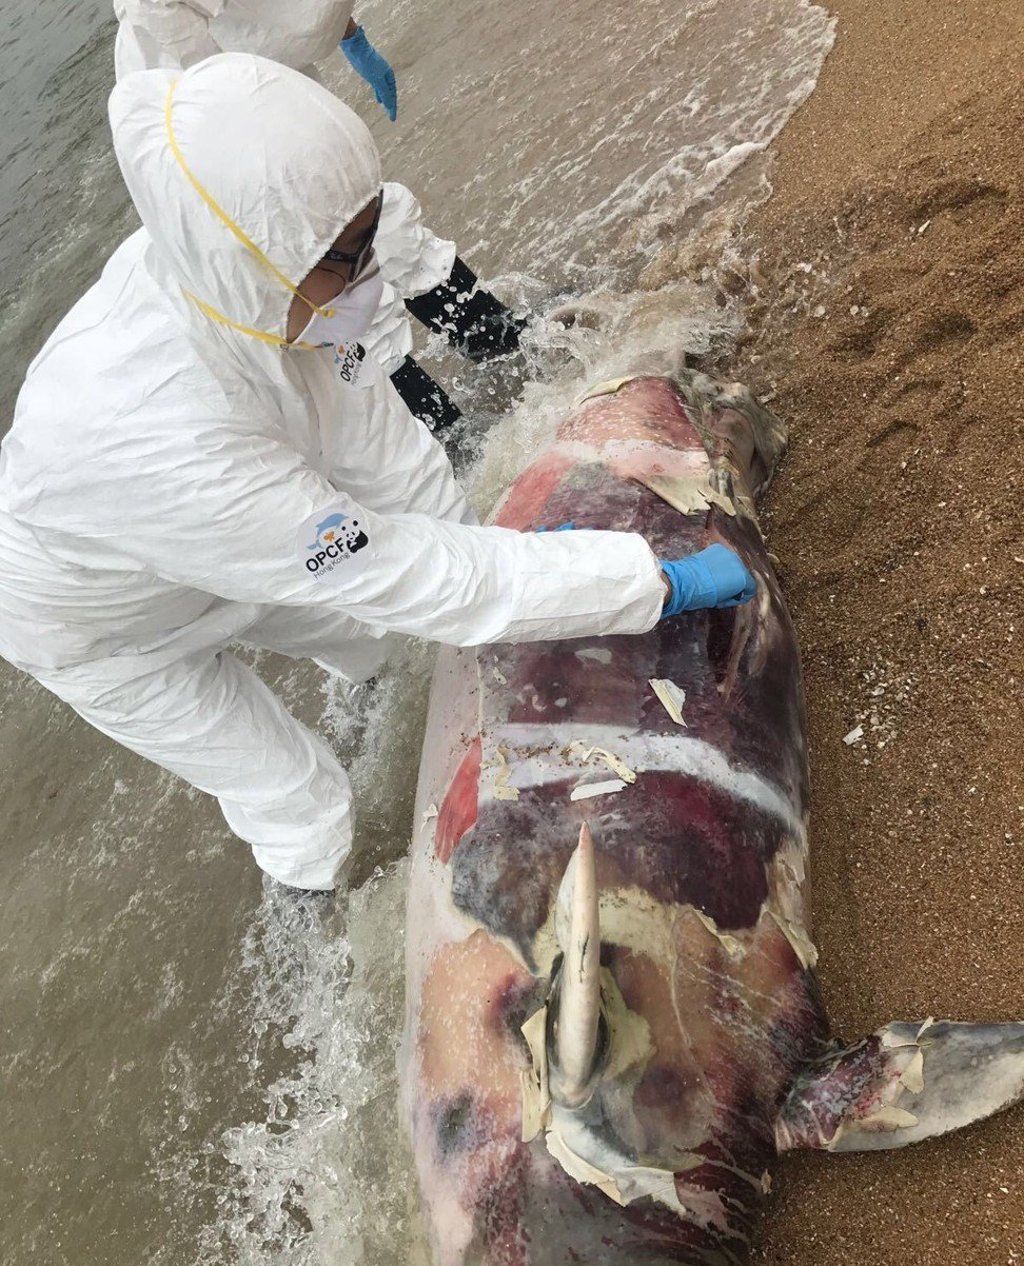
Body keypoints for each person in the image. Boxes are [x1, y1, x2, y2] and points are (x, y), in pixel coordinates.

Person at [0, 55, 755, 893]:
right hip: (98, 627)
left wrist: (504, 550)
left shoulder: (266, 281)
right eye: (346, 255)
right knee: (301, 801)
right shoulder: (163, 433)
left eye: (369, 236)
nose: (368, 272)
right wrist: (645, 581)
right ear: (267, 267)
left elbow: (385, 451)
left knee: (374, 646)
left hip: (219, 531)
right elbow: (401, 572)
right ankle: (317, 914)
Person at [111, 0, 524, 434]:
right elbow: (299, 18)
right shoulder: (159, 35)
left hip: (261, 87)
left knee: (379, 223)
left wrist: (352, 36)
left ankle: (506, 349)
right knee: (329, 285)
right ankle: (448, 437)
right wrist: (338, 30)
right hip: (212, 148)